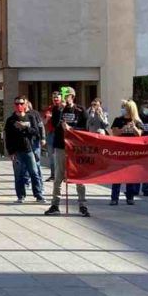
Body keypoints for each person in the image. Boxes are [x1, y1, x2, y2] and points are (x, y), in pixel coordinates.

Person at [44, 87, 89, 217]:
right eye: (62, 95)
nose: (63, 98)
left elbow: (85, 130)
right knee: (58, 176)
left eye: (66, 95)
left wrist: (71, 129)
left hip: (75, 148)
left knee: (78, 177)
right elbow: (55, 124)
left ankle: (82, 205)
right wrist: (60, 110)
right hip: (60, 146)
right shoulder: (57, 109)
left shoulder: (80, 110)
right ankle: (55, 205)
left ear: (72, 96)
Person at [5, 95, 44, 203]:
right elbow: (8, 137)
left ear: (26, 104)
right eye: (17, 104)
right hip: (16, 151)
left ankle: (39, 195)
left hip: (28, 149)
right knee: (19, 174)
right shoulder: (11, 120)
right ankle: (20, 196)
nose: (19, 106)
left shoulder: (30, 117)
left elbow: (36, 132)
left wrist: (25, 128)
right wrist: (10, 152)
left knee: (34, 172)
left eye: (21, 104)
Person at [109, 100, 145, 205]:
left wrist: (134, 127)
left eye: (124, 107)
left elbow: (140, 135)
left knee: (130, 175)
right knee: (117, 175)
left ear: (130, 109)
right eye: (122, 107)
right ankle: (114, 198)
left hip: (132, 152)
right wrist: (123, 129)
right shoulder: (118, 120)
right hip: (119, 151)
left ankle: (130, 197)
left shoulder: (138, 121)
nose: (123, 109)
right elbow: (114, 133)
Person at [43, 91, 63, 182]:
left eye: (57, 97)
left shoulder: (64, 108)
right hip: (51, 134)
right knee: (52, 155)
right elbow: (44, 122)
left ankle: (64, 175)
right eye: (54, 98)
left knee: (62, 155)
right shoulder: (49, 108)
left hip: (61, 134)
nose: (55, 99)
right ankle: (53, 175)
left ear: (61, 98)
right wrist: (48, 118)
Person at [25, 101, 46, 186]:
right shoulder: (18, 115)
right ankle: (27, 181)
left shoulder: (35, 114)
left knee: (36, 162)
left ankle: (39, 182)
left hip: (35, 140)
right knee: (25, 162)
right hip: (25, 142)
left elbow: (41, 126)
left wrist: (43, 138)